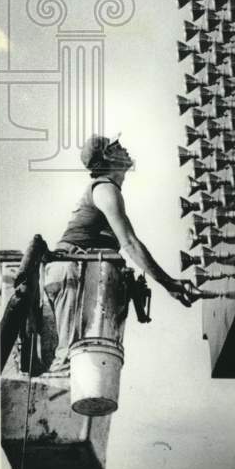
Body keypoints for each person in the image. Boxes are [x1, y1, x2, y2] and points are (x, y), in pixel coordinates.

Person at [43, 133, 197, 375]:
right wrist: (170, 284)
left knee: (84, 364)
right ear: (107, 157)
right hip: (72, 271)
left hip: (77, 272)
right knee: (68, 365)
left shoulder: (108, 189)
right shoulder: (104, 189)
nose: (123, 148)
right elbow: (130, 243)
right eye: (116, 146)